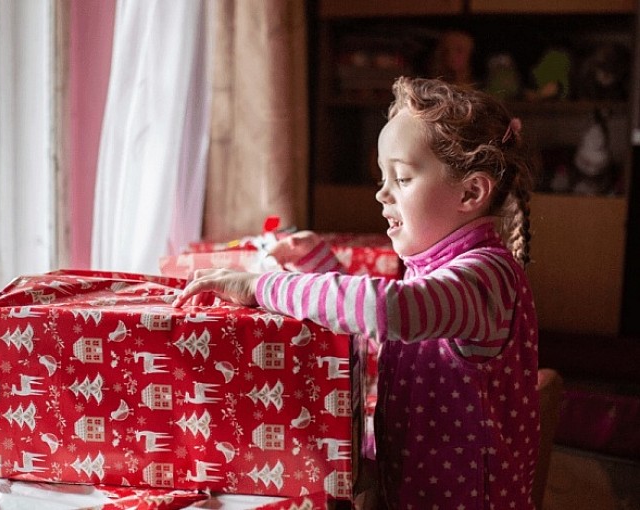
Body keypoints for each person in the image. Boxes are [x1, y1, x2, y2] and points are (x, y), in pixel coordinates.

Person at [173, 76, 540, 509]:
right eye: (383, 176)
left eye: (402, 178)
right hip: (414, 484)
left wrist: (261, 286)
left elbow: (386, 310)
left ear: (471, 192)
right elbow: (380, 316)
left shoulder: (485, 277)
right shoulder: (441, 271)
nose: (381, 193)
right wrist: (318, 265)